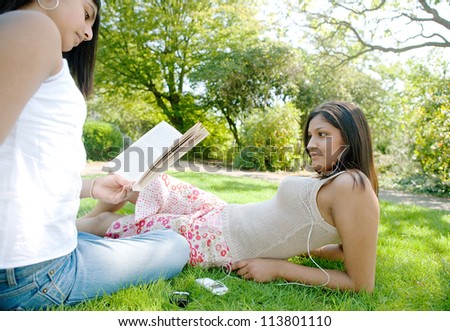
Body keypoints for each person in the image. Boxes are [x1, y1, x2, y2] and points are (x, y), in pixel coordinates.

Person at [0, 0, 189, 311]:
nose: (88, 34)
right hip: (34, 276)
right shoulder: (35, 27)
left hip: (28, 263)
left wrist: (91, 187)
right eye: (86, 14)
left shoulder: (24, 34)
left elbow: (21, 168)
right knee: (173, 244)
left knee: (103, 237)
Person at [78, 100, 380, 293]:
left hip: (219, 240)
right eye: (310, 136)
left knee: (110, 222)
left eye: (323, 135)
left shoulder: (354, 186)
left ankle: (64, 228)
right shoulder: (338, 180)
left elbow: (360, 283)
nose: (311, 144)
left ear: (350, 137)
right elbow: (339, 249)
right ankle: (79, 217)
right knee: (139, 180)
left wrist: (279, 268)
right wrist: (296, 249)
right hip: (223, 211)